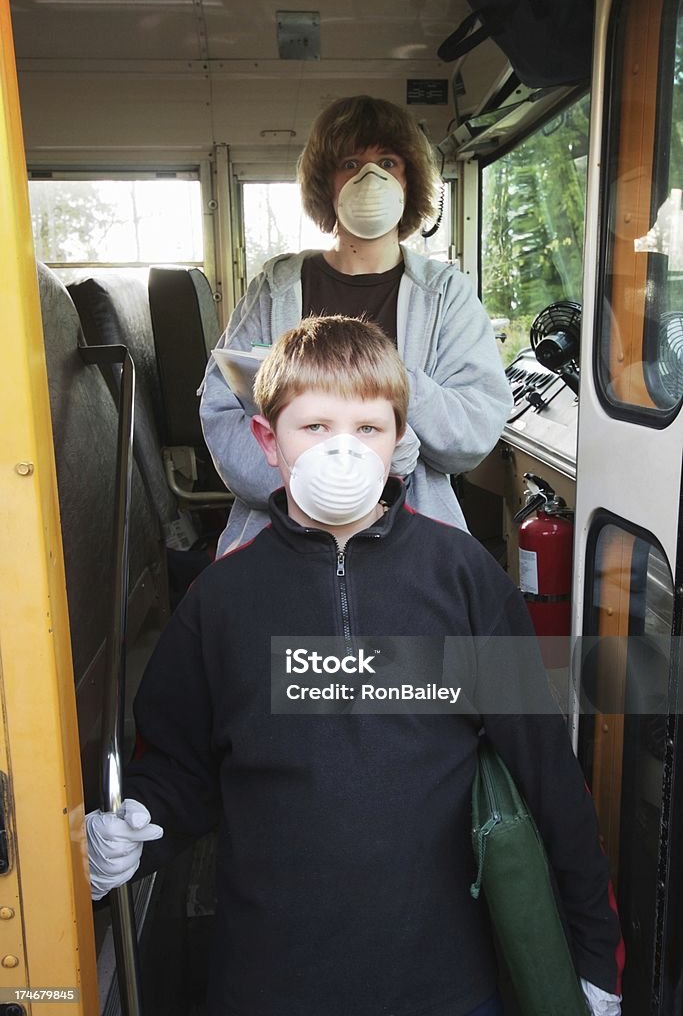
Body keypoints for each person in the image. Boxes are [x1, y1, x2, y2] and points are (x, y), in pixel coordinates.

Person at [87, 316, 622, 1016]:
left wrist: (593, 953)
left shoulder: (461, 575)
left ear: (400, 442)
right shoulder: (219, 600)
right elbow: (182, 765)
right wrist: (135, 823)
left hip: (444, 973)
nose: (342, 450)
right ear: (266, 442)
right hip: (269, 974)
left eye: (367, 429)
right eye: (313, 428)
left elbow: (543, 769)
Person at [199, 94, 513, 556]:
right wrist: (305, 485)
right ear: (326, 184)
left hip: (410, 537)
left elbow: (472, 433)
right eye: (351, 162)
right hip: (281, 537)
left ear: (411, 181)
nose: (372, 178)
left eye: (388, 161)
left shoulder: (447, 293)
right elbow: (221, 410)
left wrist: (394, 383)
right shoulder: (277, 286)